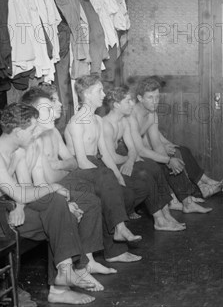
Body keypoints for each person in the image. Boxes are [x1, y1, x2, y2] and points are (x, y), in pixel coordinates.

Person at [0, 103, 101, 304]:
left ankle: (62, 280)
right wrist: (52, 187)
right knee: (55, 201)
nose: (37, 132)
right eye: (32, 129)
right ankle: (58, 284)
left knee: (58, 206)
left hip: (3, 207)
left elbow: (25, 188)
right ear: (18, 132)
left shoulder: (18, 152)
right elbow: (19, 192)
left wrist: (54, 203)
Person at [23, 84, 142, 264]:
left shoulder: (53, 131)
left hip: (66, 179)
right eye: (53, 101)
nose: (59, 104)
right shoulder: (34, 138)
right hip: (51, 189)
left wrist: (59, 164)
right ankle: (111, 243)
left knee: (112, 186)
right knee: (101, 182)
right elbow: (48, 179)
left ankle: (114, 242)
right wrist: (62, 168)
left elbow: (71, 162)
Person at [64, 75, 145, 262]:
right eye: (99, 91)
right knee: (107, 186)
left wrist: (118, 176)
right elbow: (82, 162)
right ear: (86, 94)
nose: (103, 94)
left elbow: (106, 155)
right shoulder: (76, 122)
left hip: (97, 168)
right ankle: (120, 231)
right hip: (79, 171)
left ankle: (116, 246)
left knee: (126, 193)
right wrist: (107, 175)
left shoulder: (98, 121)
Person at [101, 86, 185, 231]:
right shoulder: (106, 125)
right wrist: (130, 159)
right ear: (116, 105)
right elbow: (112, 158)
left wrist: (130, 159)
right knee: (145, 174)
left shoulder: (124, 121)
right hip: (108, 168)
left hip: (124, 161)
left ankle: (167, 214)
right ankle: (159, 220)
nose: (132, 105)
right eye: (128, 102)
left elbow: (133, 148)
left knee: (153, 167)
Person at [127, 76, 212, 213]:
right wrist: (167, 160)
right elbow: (140, 151)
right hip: (126, 155)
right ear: (140, 98)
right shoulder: (131, 115)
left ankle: (187, 202)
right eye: (150, 97)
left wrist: (170, 160)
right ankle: (178, 200)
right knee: (164, 162)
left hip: (139, 152)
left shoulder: (152, 114)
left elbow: (157, 144)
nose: (155, 102)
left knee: (173, 160)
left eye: (157, 97)